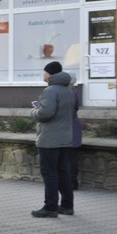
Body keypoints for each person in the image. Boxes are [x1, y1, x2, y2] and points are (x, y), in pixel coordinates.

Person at [30, 61, 75, 218]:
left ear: (50, 74)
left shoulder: (50, 91)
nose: (43, 75)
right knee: (63, 172)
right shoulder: (68, 90)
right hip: (65, 137)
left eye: (45, 72)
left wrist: (34, 112)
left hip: (50, 138)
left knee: (49, 173)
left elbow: (46, 113)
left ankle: (50, 207)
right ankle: (67, 205)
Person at [68, 74, 83, 190]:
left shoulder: (67, 93)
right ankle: (73, 182)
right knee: (72, 157)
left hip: (69, 128)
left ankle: (71, 182)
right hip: (74, 127)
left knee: (69, 157)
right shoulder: (74, 92)